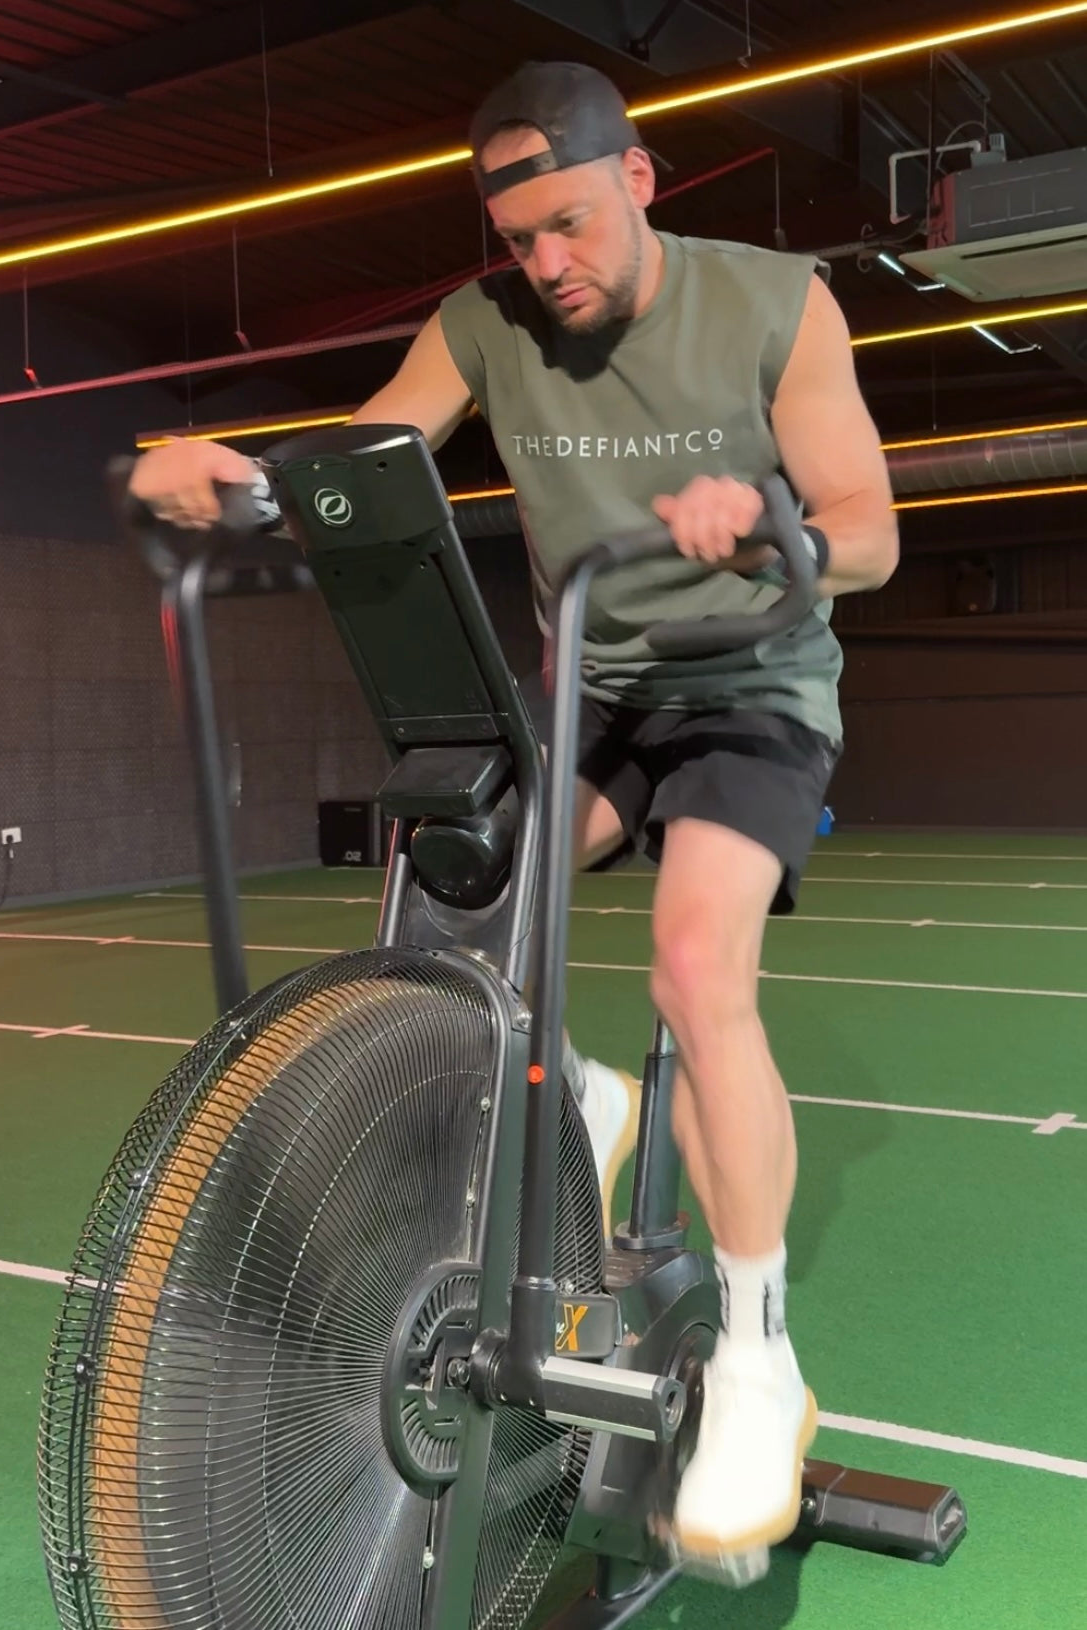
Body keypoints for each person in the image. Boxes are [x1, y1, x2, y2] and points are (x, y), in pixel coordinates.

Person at [128, 60, 898, 1581]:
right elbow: (360, 463)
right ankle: (581, 1109)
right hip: (589, 689)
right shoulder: (484, 325)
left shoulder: (777, 303)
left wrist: (774, 527)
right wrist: (225, 483)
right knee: (450, 920)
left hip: (751, 680)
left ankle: (756, 1355)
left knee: (695, 963)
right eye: (517, 237)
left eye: (568, 224)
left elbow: (867, 532)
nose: (546, 264)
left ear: (643, 180)